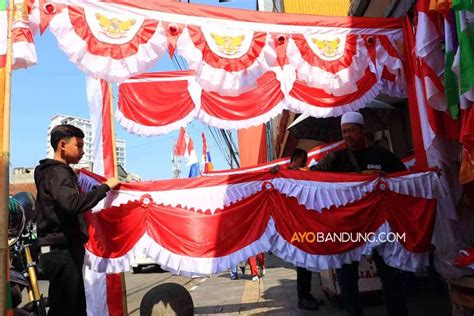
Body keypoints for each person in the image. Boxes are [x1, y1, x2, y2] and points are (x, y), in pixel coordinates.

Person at [311, 111, 407, 316]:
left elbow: (405, 178)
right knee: (347, 280)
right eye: (344, 132)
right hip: (348, 227)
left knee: (391, 276)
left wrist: (428, 174)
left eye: (352, 131)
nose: (347, 136)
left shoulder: (382, 156)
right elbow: (312, 176)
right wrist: (287, 172)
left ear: (363, 130)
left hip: (381, 226)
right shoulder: (336, 158)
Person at [35, 124, 120, 316]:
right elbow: (71, 203)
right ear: (63, 145)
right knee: (67, 308)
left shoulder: (53, 173)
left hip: (59, 249)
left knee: (71, 306)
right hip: (61, 250)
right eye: (79, 146)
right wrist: (104, 187)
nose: (82, 151)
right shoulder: (57, 172)